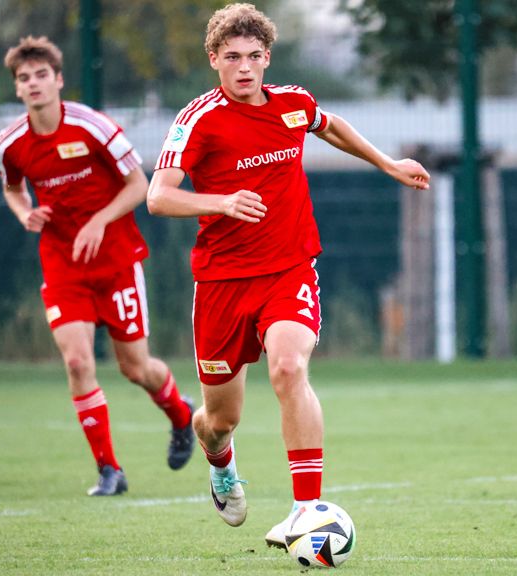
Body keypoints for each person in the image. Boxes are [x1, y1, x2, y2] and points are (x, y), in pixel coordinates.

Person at [146, 3, 430, 547]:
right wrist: (222, 201)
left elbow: (332, 126)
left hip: (289, 269)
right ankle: (221, 464)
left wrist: (386, 162)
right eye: (232, 57)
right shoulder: (199, 120)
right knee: (219, 419)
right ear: (214, 60)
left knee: (288, 367)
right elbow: (158, 197)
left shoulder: (293, 104)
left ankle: (306, 510)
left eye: (254, 56)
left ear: (267, 57)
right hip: (222, 283)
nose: (245, 67)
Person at [0, 36, 195, 497]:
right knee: (79, 361)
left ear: (59, 80)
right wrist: (26, 213)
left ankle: (182, 416)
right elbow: (12, 188)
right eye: (24, 79)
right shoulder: (11, 144)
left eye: (42, 75)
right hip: (63, 266)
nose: (34, 84)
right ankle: (110, 470)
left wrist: (99, 222)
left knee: (136, 368)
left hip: (117, 262)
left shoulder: (92, 126)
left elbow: (138, 185)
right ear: (18, 90)